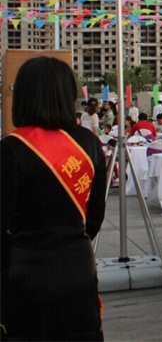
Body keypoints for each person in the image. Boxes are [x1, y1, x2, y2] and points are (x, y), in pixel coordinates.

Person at [1, 56, 106, 340]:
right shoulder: (89, 142)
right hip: (79, 271)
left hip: (25, 275)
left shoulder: (11, 148)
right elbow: (95, 216)